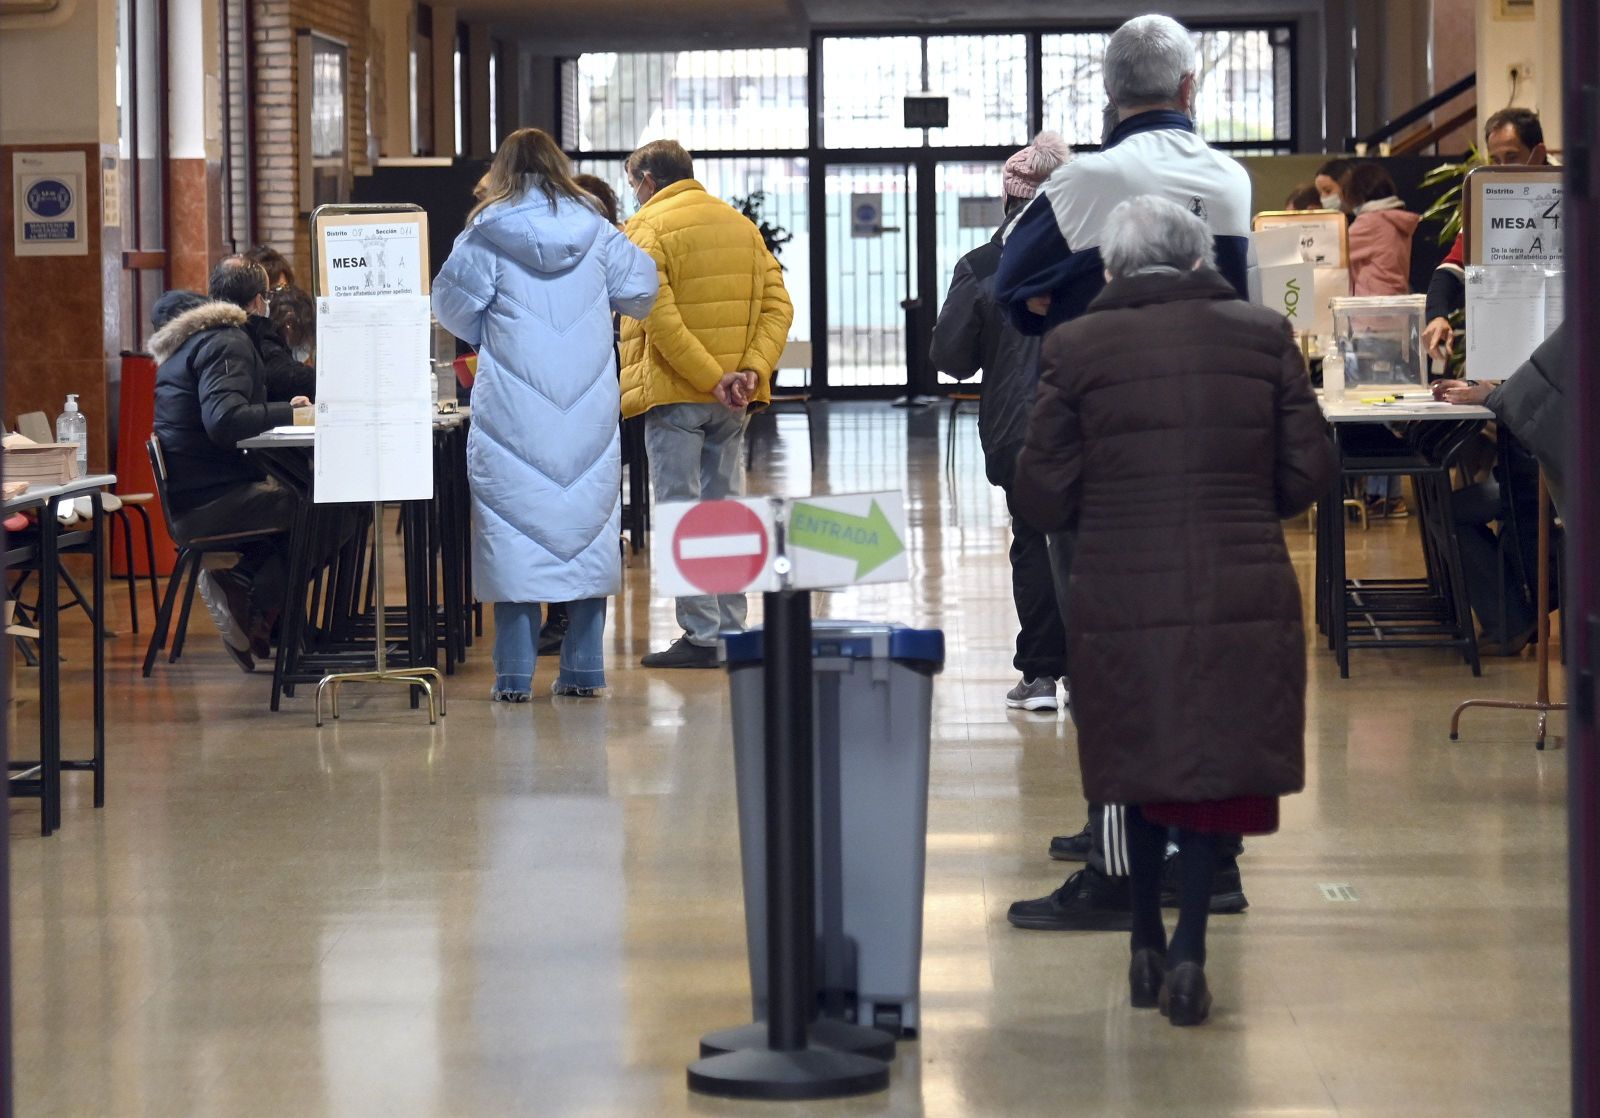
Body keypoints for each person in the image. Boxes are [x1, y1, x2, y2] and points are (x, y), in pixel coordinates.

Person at [1011, 195, 1337, 1025]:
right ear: (1200, 260)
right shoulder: (1263, 336)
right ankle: (1191, 944)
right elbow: (1306, 475)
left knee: (1137, 751)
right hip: (1241, 577)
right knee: (1210, 763)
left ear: (1111, 268)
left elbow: (1042, 489)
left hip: (1121, 579)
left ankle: (1143, 941)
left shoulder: (1075, 344)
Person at [996, 12, 1258, 931]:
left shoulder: (1090, 179)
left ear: (1110, 95)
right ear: (1191, 90)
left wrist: (1066, 301)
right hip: (1213, 447)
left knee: (1110, 655)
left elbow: (1007, 289)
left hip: (1111, 444)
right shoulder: (1231, 179)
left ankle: (1119, 869)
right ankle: (1208, 857)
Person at [432, 127, 658, 700]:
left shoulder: (483, 237)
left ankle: (513, 675)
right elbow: (643, 292)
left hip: (512, 410)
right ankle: (583, 669)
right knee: (585, 528)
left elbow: (451, 309)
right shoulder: (599, 232)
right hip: (588, 408)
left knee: (511, 527)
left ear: (501, 172)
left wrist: (490, 330)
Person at [619, 139, 794, 668]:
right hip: (733, 399)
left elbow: (657, 315)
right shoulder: (741, 227)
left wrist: (708, 376)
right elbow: (778, 307)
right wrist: (749, 372)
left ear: (648, 180)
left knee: (681, 509)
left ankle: (700, 636)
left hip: (676, 392)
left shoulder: (647, 228)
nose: (634, 197)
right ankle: (731, 629)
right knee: (725, 511)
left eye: (633, 186)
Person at [930, 130, 1071, 711]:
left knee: (1034, 541)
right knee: (1094, 544)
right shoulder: (1104, 255)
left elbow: (951, 358)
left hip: (1019, 428)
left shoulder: (984, 265)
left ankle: (1041, 675)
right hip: (1095, 421)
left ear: (1009, 200)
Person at [150, 259, 309, 672]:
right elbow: (224, 421)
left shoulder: (196, 339)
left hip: (198, 490)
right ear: (260, 300)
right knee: (328, 509)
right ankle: (253, 597)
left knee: (314, 500)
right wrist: (289, 415)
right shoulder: (226, 342)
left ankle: (263, 608)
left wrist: (277, 409)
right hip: (211, 500)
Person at [1431, 322, 1569, 653]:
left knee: (1448, 513)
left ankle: (1510, 624)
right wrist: (1484, 390)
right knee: (1451, 510)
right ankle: (1511, 618)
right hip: (1539, 470)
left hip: (1555, 477)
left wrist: (1492, 395)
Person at [1423, 109, 1551, 362]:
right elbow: (1452, 267)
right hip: (1504, 340)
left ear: (1538, 153)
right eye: (1495, 160)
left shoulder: (1574, 195)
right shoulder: (1487, 198)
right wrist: (1437, 315)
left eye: (1511, 157)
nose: (1502, 169)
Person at [1341, 163, 1419, 297]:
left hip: (1371, 305)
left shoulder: (1371, 222)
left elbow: (1338, 252)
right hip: (1396, 299)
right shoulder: (1396, 218)